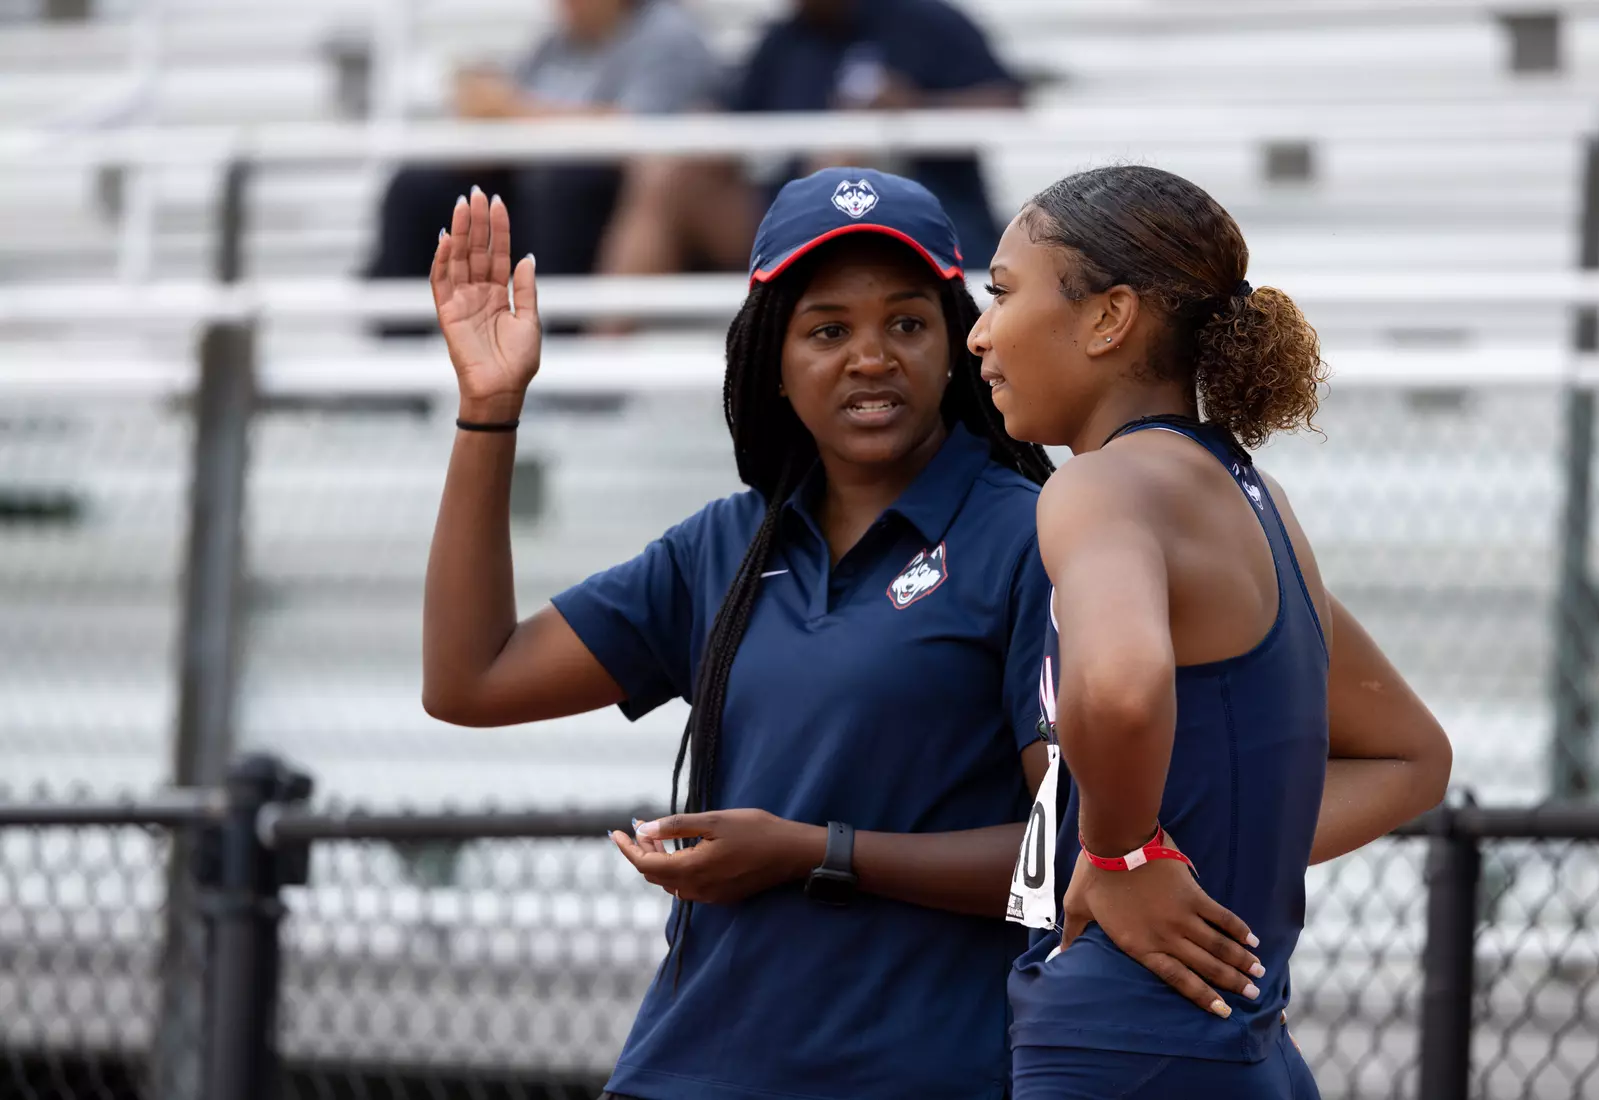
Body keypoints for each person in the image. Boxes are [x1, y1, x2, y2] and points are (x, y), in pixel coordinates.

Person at [421, 166, 1064, 1098]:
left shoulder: (1033, 534)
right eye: (827, 330)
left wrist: (814, 852)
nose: (871, 357)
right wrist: (489, 409)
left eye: (906, 324)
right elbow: (470, 681)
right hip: (686, 1070)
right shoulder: (723, 543)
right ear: (773, 361)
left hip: (916, 1075)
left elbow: (1071, 857)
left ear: (956, 345)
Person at [968, 166, 1454, 1098]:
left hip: (1124, 1031)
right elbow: (1410, 757)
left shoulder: (1099, 485)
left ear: (1108, 319)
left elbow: (1120, 686)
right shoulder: (1253, 501)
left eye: (1002, 292)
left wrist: (1123, 855)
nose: (979, 333)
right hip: (1241, 1038)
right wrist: (1207, 858)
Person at [596, 0, 1021, 285]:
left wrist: (916, 106)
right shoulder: (784, 39)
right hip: (789, 223)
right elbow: (731, 118)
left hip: (921, 218)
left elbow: (1007, 103)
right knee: (669, 178)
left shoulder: (926, 21)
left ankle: (809, 318)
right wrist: (703, 127)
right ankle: (605, 359)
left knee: (838, 169)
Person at [365, 0, 719, 328]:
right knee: (417, 188)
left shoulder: (668, 36)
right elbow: (514, 117)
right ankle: (393, 349)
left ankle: (561, 350)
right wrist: (481, 116)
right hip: (535, 199)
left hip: (612, 213)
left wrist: (511, 111)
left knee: (564, 183)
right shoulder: (556, 44)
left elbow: (639, 134)